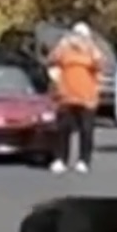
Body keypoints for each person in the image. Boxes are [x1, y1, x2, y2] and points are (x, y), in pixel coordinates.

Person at [47, 22, 105, 173]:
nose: (79, 38)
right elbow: (51, 61)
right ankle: (61, 159)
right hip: (66, 95)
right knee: (63, 129)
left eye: (82, 36)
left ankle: (83, 160)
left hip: (86, 97)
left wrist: (91, 49)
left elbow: (100, 66)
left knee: (86, 130)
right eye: (76, 35)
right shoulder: (64, 49)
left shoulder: (91, 51)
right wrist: (55, 78)